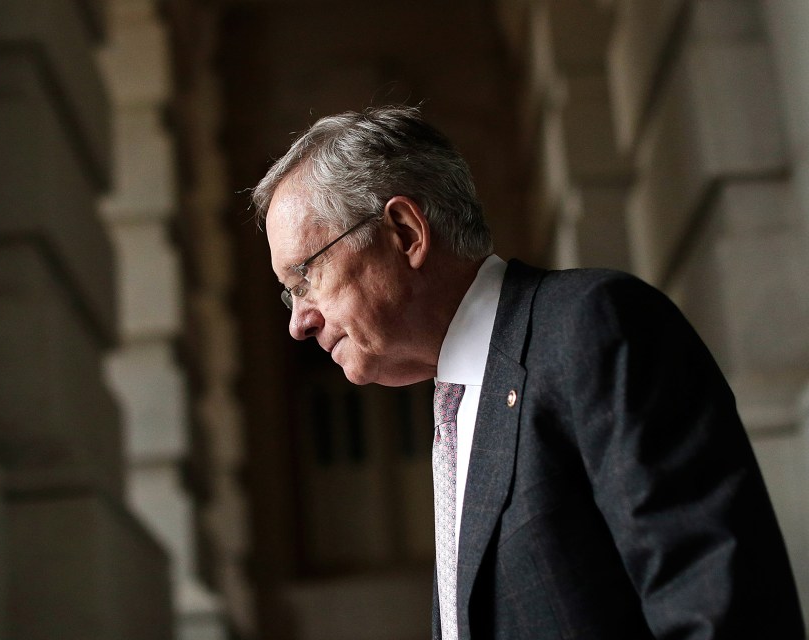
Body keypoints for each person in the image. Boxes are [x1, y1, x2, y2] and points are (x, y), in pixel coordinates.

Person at [252, 105, 805, 640]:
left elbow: (719, 607)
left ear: (404, 232)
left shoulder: (591, 328)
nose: (300, 322)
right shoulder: (457, 409)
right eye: (289, 295)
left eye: (305, 278)